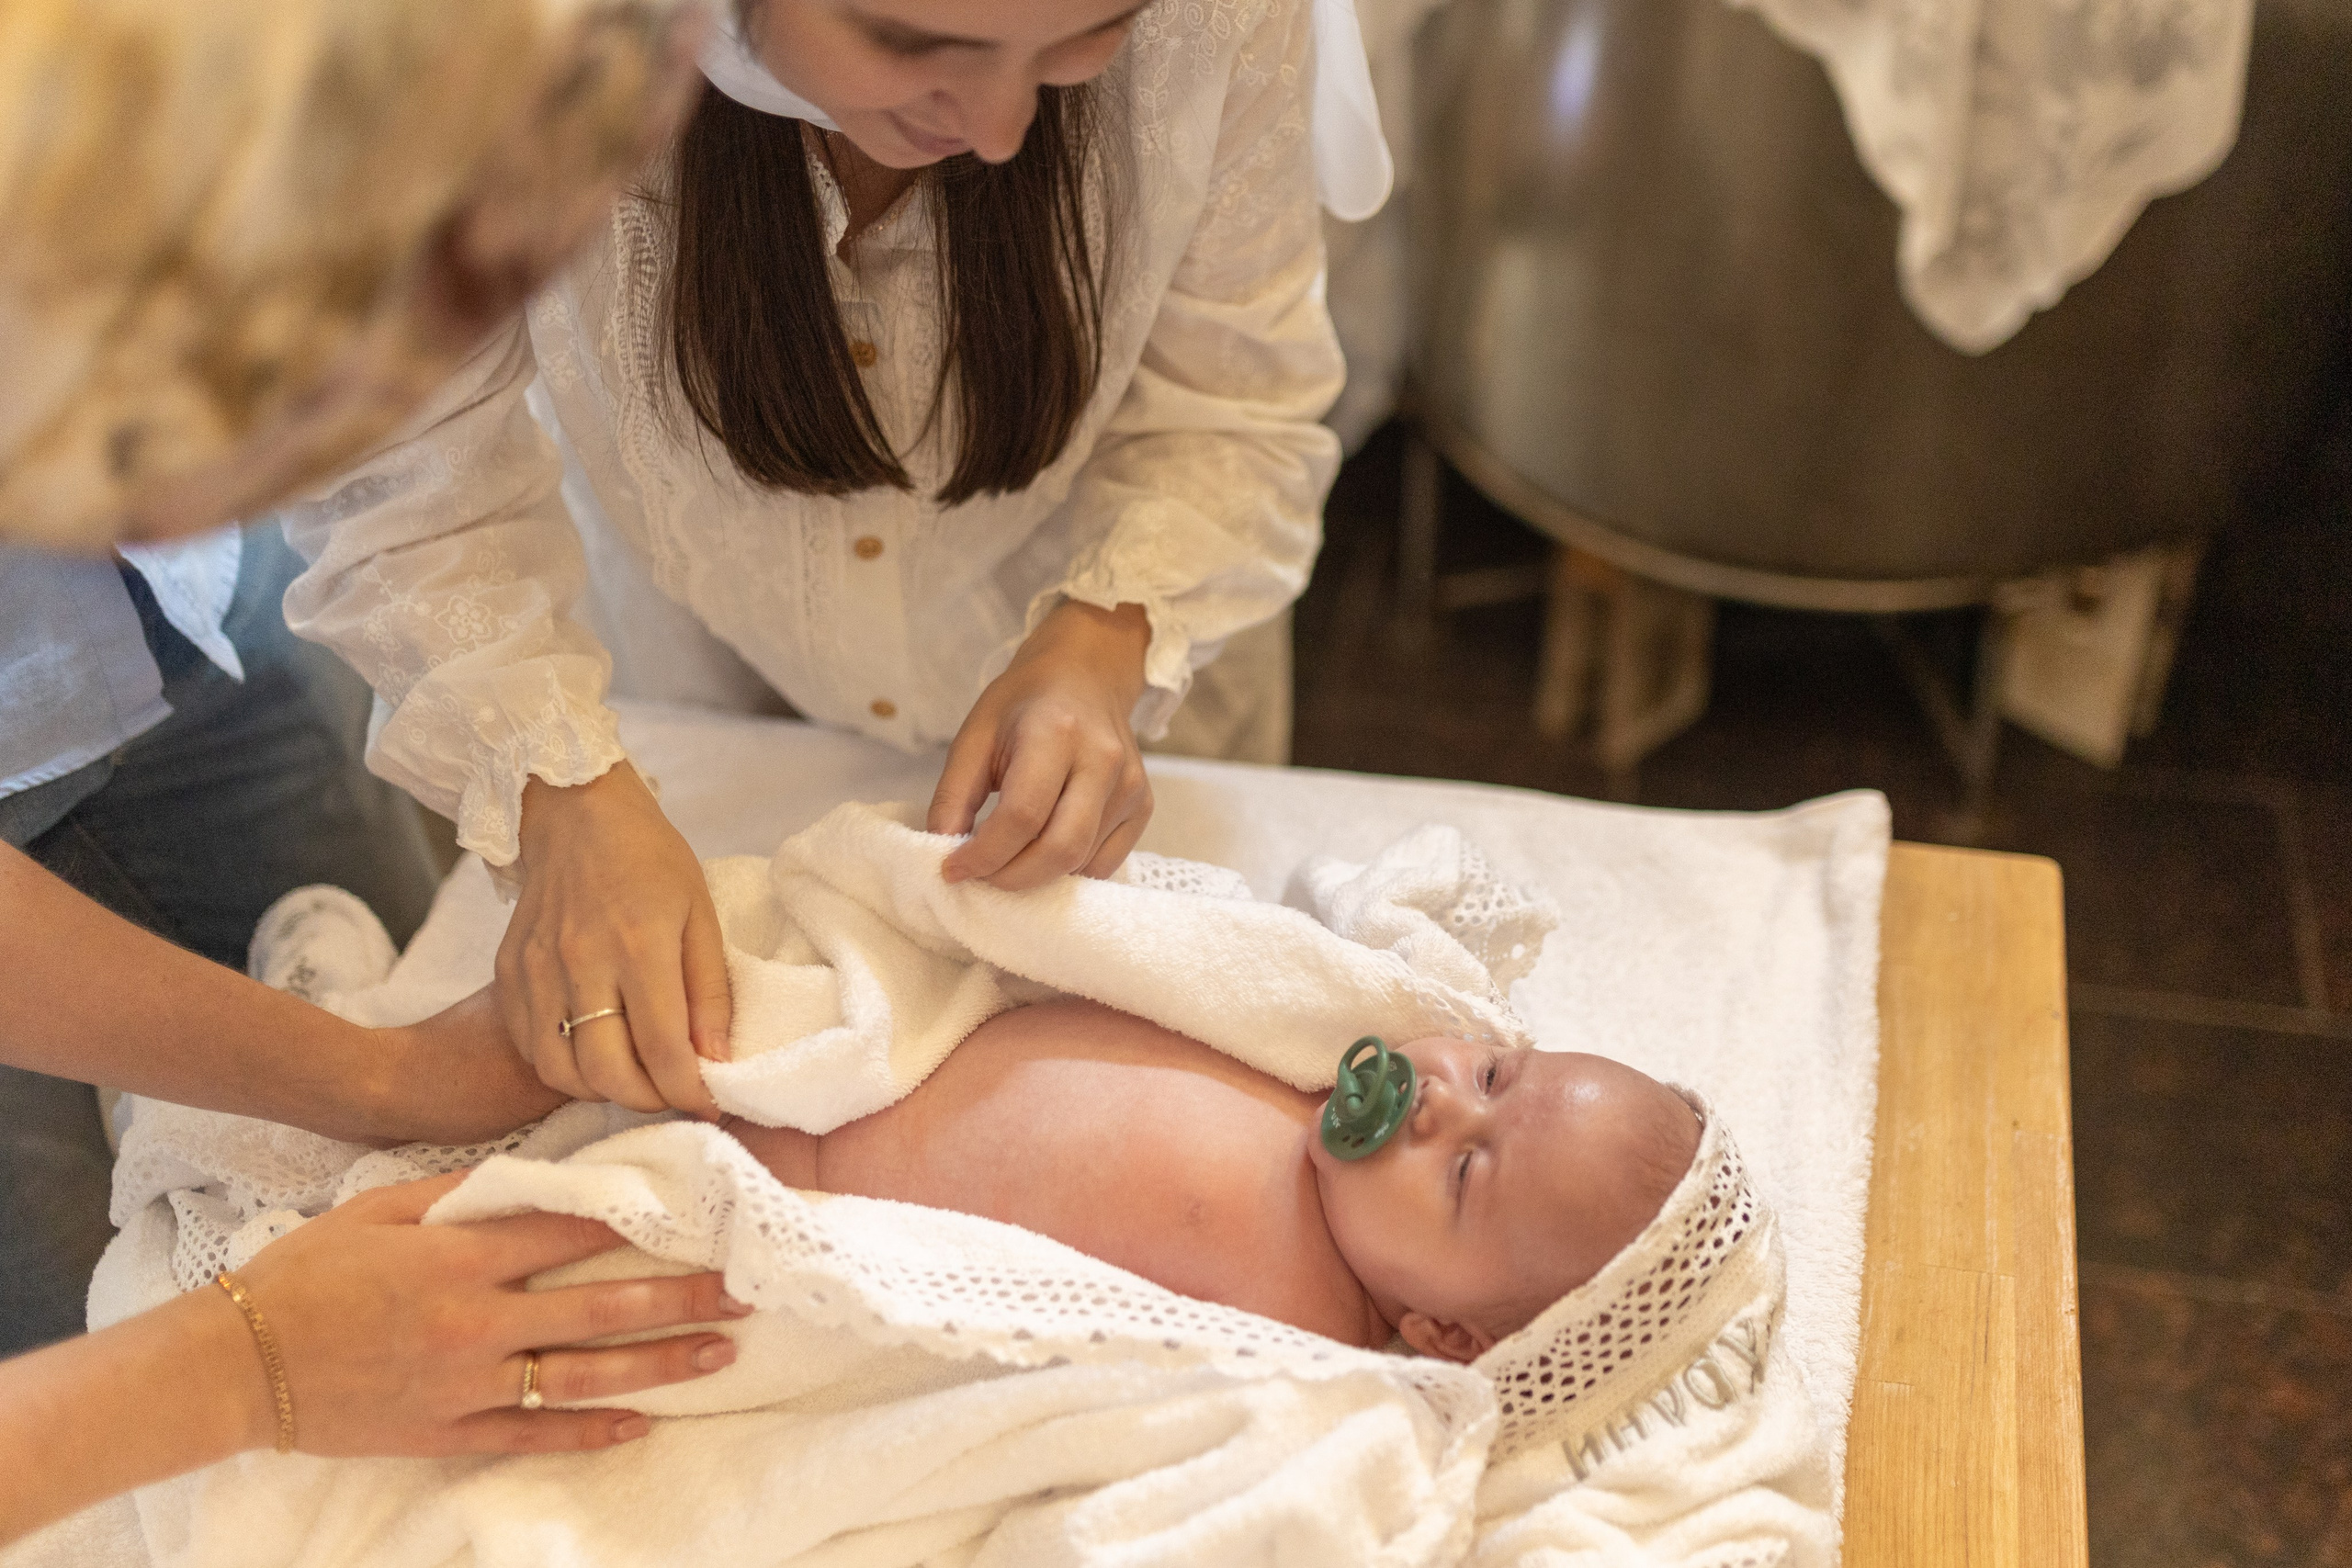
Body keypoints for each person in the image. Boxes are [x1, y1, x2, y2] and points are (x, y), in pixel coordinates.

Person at [277, 0, 1362, 1129]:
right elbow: (397, 473)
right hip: (686, 653)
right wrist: (555, 791)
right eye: (908, 43)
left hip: (1124, 664)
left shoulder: (1220, 20)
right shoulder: (497, 52)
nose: (999, 128)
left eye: (1086, 40)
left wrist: (1102, 641)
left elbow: (1235, 397)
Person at [722, 1000, 1706, 1358]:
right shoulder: (1307, 1049)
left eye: (1461, 1173)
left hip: (789, 1183)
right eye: (1493, 1073)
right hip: (849, 1024)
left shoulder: (1299, 1329)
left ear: (1442, 1332)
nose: (1440, 1099)